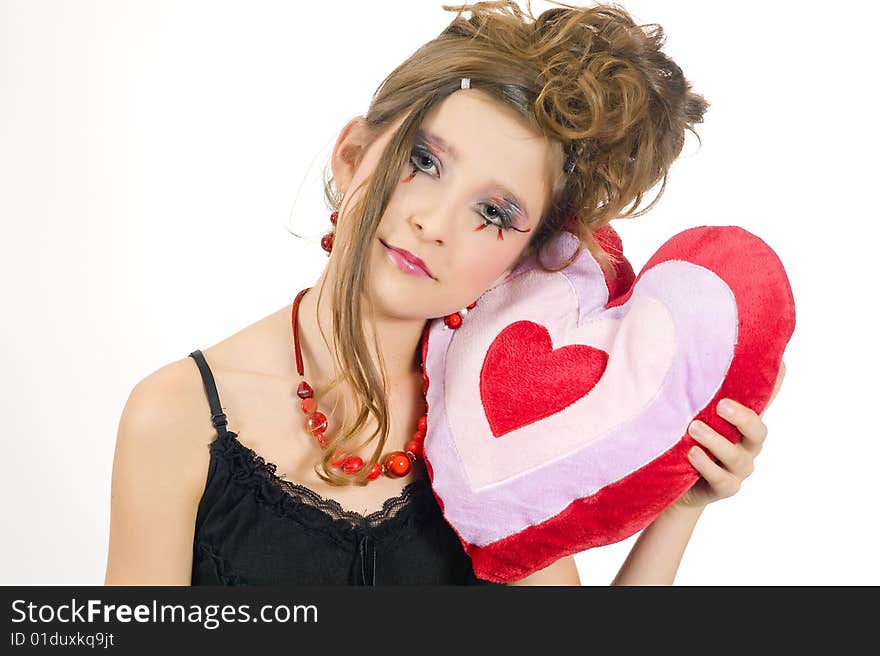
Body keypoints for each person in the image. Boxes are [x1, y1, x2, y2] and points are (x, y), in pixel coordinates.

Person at [104, 0, 786, 586]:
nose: (433, 223)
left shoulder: (496, 424)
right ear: (352, 156)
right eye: (423, 162)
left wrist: (676, 504)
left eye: (493, 213)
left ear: (521, 258)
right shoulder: (176, 416)